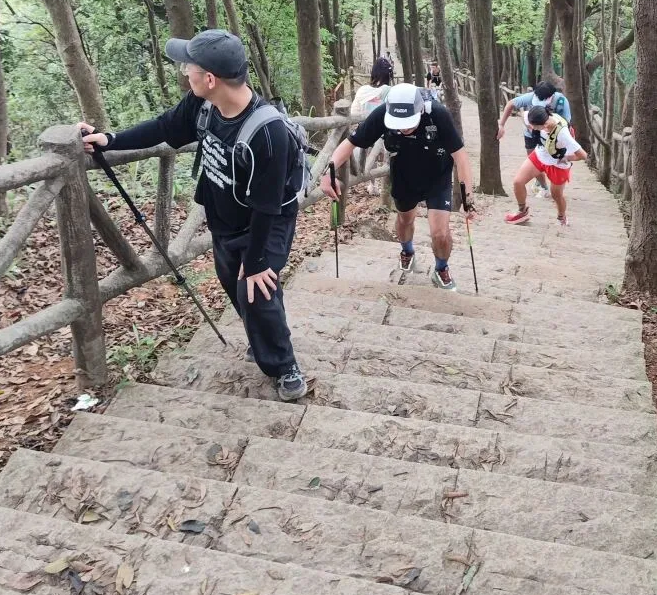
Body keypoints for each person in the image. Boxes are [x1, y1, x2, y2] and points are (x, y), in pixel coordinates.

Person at [79, 29, 309, 402]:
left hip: (267, 222)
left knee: (254, 289)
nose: (185, 71)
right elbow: (164, 127)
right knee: (234, 283)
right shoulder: (202, 105)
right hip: (224, 216)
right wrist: (110, 139)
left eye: (189, 67)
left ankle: (284, 366)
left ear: (210, 79)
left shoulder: (267, 133)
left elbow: (267, 207)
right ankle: (264, 335)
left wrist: (256, 262)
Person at [321, 82, 475, 291]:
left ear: (420, 110)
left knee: (440, 232)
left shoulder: (438, 115)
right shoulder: (382, 114)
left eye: (409, 122)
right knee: (405, 220)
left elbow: (461, 157)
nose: (404, 128)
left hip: (438, 176)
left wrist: (468, 197)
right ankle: (407, 251)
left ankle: (441, 268)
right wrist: (327, 173)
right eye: (399, 123)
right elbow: (351, 143)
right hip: (404, 175)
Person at [504, 102, 586, 227]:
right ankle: (522, 211)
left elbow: (583, 155)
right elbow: (523, 114)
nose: (532, 128)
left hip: (558, 164)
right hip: (540, 154)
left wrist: (564, 157)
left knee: (556, 195)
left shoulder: (562, 133)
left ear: (545, 124)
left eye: (535, 127)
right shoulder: (535, 116)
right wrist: (529, 126)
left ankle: (561, 217)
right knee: (518, 182)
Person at [496, 79, 573, 197]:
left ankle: (556, 190)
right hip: (531, 134)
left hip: (554, 138)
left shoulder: (560, 101)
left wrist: (548, 131)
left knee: (555, 161)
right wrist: (501, 125)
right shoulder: (531, 96)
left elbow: (566, 123)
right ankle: (543, 186)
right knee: (534, 160)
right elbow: (511, 104)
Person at [350, 55, 394, 120]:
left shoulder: (362, 90)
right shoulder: (390, 91)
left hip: (363, 124)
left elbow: (353, 112)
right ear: (389, 76)